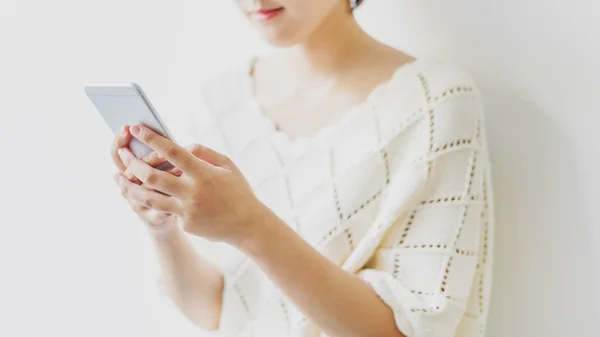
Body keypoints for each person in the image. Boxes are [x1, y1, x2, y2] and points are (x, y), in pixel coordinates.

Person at [110, 0, 495, 336]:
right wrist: (162, 230)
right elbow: (213, 311)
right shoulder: (218, 102)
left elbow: (406, 330)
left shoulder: (432, 102)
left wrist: (251, 226)